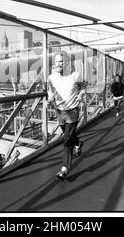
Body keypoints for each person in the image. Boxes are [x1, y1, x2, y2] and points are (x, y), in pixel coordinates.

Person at [47, 51, 86, 181]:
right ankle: (79, 143)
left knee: (67, 140)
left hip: (72, 110)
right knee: (68, 134)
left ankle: (64, 169)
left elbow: (84, 87)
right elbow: (50, 91)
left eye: (62, 61)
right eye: (57, 61)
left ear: (67, 62)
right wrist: (50, 98)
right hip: (59, 111)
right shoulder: (51, 77)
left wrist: (81, 94)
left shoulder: (75, 75)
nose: (59, 64)